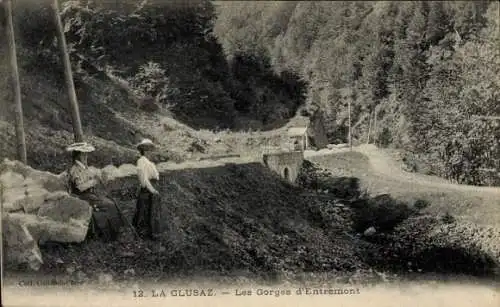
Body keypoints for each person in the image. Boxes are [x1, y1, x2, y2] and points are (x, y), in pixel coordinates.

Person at [66, 142, 124, 242]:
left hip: (89, 195)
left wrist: (100, 177)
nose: (86, 156)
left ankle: (114, 231)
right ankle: (106, 234)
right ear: (79, 155)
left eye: (86, 154)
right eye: (84, 154)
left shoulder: (84, 167)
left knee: (111, 202)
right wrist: (94, 181)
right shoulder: (75, 169)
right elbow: (80, 187)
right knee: (108, 205)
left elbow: (91, 179)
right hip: (80, 196)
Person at [132, 138, 161, 240]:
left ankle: (152, 233)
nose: (149, 151)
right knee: (143, 211)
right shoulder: (141, 161)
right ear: (143, 150)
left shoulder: (149, 162)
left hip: (152, 188)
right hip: (147, 190)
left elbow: (155, 176)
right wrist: (152, 190)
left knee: (151, 211)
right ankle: (142, 234)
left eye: (150, 149)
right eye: (147, 149)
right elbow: (143, 179)